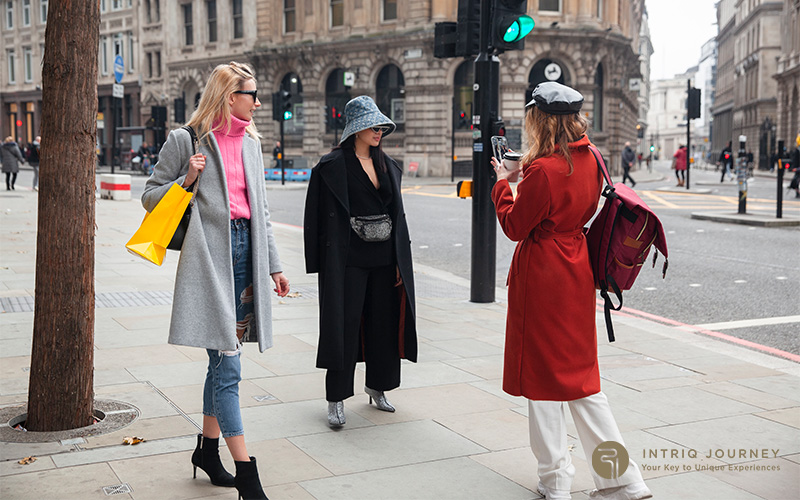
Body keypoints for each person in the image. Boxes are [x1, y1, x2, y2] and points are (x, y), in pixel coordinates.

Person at [490, 82, 652, 500]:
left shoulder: (543, 171)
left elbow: (514, 226)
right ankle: (624, 481)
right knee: (583, 383)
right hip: (576, 270)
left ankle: (555, 480)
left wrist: (503, 184)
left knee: (543, 384)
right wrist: (525, 172)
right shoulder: (592, 157)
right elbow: (566, 194)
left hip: (544, 276)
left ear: (539, 120)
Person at [142, 61, 289, 500]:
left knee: (222, 361)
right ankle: (248, 477)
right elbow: (151, 196)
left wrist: (275, 266)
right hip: (211, 260)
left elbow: (259, 211)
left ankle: (208, 452)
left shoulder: (251, 144)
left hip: (247, 257)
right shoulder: (185, 140)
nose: (259, 103)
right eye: (252, 95)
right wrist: (187, 179)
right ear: (230, 97)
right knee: (229, 368)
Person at [303, 95, 417, 427]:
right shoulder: (331, 166)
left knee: (382, 324)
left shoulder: (389, 165)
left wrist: (400, 263)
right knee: (343, 327)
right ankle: (336, 398)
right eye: (372, 125)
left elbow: (397, 217)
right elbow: (315, 217)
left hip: (384, 258)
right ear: (355, 129)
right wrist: (318, 263)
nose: (378, 131)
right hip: (347, 259)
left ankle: (377, 387)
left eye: (381, 125)